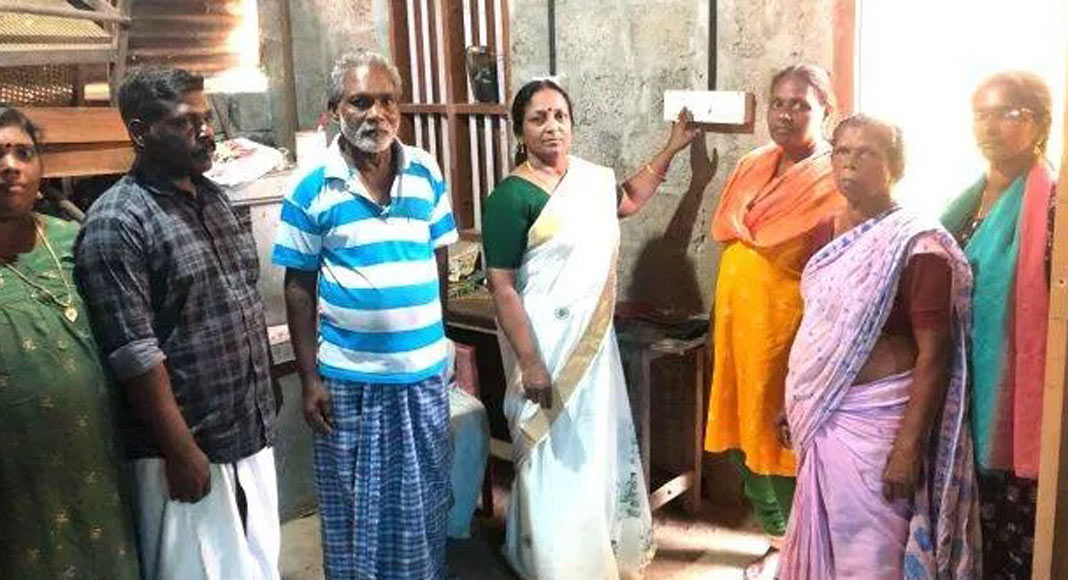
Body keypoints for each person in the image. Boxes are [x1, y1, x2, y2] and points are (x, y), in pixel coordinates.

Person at [481, 77, 699, 579]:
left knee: (592, 445)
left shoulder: (590, 181)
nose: (551, 127)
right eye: (538, 118)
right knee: (549, 448)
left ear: (572, 124)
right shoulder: (510, 198)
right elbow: (502, 287)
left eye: (560, 116)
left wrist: (671, 148)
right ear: (520, 130)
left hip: (592, 348)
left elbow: (628, 200)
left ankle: (591, 550)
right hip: (544, 346)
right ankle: (550, 559)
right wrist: (531, 363)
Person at [74, 67, 280, 580]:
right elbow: (134, 352)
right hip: (185, 452)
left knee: (256, 566)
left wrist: (266, 390)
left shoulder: (212, 197)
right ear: (140, 131)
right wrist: (181, 449)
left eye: (206, 118)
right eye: (186, 122)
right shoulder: (118, 221)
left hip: (246, 433)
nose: (206, 131)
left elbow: (242, 300)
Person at [272, 50, 458, 579]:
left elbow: (439, 258)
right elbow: (298, 287)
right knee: (355, 508)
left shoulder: (425, 171)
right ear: (335, 109)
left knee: (422, 503)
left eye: (386, 100)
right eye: (360, 102)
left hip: (422, 377)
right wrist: (310, 379)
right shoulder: (311, 187)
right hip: (349, 381)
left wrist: (437, 340)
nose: (376, 113)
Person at [778, 114, 980, 578]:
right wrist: (791, 396)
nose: (849, 163)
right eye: (842, 152)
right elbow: (816, 319)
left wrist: (908, 447)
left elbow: (935, 354)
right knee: (825, 538)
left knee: (871, 556)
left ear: (895, 167)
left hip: (877, 422)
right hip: (819, 410)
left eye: (866, 153)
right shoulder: (824, 232)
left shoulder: (919, 245)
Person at [702, 64, 844, 570]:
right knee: (740, 437)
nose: (785, 114)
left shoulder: (835, 176)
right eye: (779, 103)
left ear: (826, 110)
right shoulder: (753, 164)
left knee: (779, 444)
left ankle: (798, 550)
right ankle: (779, 539)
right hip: (737, 327)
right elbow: (733, 237)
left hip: (787, 334)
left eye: (800, 105)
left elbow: (834, 267)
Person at [0, 106, 140, 579]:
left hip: (96, 461)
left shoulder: (73, 241)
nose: (10, 166)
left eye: (24, 153)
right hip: (15, 480)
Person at [941, 71, 1056, 579]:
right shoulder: (965, 202)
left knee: (1009, 527)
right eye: (981, 114)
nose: (990, 127)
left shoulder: (1051, 207)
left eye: (1008, 114)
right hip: (957, 382)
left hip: (1011, 395)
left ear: (1040, 123)